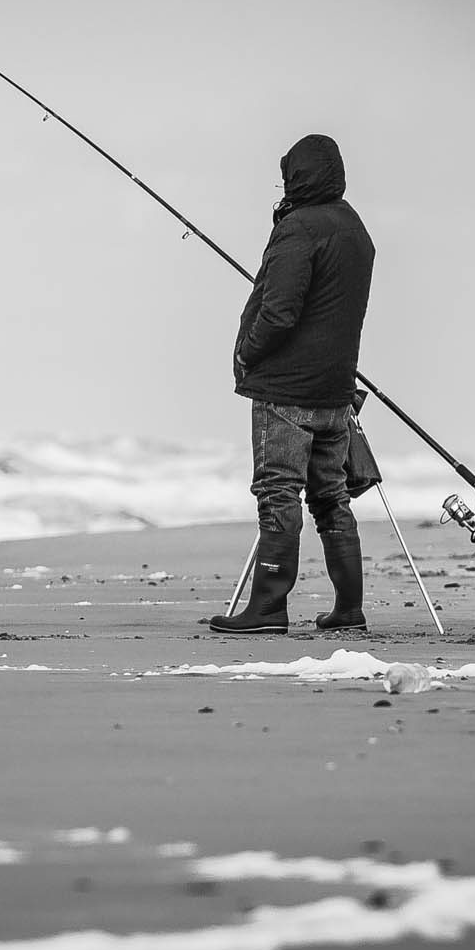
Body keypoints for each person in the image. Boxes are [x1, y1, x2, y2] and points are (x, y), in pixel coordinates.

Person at [210, 133, 376, 635]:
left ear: (298, 177)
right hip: (335, 392)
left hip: (286, 391)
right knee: (331, 498)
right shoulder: (356, 231)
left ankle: (268, 610)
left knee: (278, 491)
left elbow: (279, 313)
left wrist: (246, 352)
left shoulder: (299, 230)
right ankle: (348, 609)